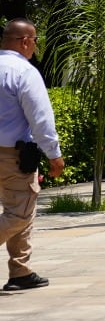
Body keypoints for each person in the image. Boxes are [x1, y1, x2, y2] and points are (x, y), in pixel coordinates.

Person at [0, 18, 62, 291]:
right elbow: (40, 119)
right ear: (25, 41)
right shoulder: (23, 72)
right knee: (21, 212)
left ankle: (20, 271)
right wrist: (54, 154)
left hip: (13, 153)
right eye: (35, 41)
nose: (35, 47)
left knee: (22, 209)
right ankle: (20, 270)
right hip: (11, 155)